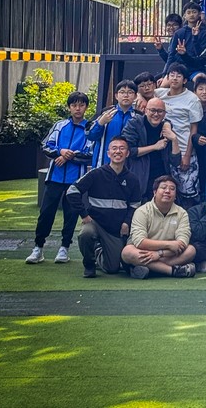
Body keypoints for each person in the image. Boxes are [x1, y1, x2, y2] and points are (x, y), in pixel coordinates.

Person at [25, 91, 93, 266]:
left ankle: (64, 248)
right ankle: (38, 247)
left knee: (71, 214)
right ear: (69, 107)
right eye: (74, 105)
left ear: (86, 107)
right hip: (54, 177)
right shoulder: (60, 125)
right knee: (46, 213)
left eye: (81, 105)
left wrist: (69, 155)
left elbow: (90, 154)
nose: (78, 108)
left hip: (75, 180)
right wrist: (60, 152)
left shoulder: (89, 128)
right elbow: (46, 145)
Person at [67, 136, 141, 278]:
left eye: (122, 148)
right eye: (114, 148)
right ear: (108, 153)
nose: (118, 151)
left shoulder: (132, 179)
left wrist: (127, 222)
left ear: (127, 153)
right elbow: (72, 192)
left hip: (115, 229)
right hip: (95, 223)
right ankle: (89, 264)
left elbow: (135, 205)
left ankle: (98, 249)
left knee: (112, 268)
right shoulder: (96, 173)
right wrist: (84, 215)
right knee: (86, 234)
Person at [121, 176, 197, 278]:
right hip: (144, 251)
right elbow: (140, 242)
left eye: (172, 189)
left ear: (175, 195)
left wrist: (159, 254)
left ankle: (151, 269)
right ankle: (172, 271)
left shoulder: (182, 213)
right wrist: (169, 245)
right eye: (163, 187)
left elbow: (182, 243)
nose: (167, 191)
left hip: (167, 254)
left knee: (191, 250)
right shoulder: (142, 211)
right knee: (127, 252)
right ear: (155, 192)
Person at [155, 63, 203, 206]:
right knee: (166, 191)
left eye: (179, 75)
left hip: (183, 150)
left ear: (185, 80)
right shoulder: (160, 94)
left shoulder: (192, 99)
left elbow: (194, 129)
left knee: (187, 192)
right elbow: (141, 91)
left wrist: (187, 155)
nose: (174, 78)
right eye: (172, 75)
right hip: (164, 150)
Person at [124, 97, 181, 202]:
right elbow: (128, 151)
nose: (156, 114)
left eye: (160, 111)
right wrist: (154, 147)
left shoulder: (166, 128)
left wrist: (174, 139)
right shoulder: (134, 124)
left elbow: (176, 161)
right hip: (139, 175)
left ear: (164, 113)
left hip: (161, 178)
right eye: (153, 110)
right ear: (146, 111)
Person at [87, 79, 138, 168]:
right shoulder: (106, 113)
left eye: (130, 92)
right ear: (116, 96)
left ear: (135, 96)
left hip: (129, 167)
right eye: (122, 92)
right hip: (103, 164)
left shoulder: (138, 117)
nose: (126, 95)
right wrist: (100, 123)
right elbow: (90, 136)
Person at [162, 2, 206, 75]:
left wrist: (195, 37)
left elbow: (201, 54)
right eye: (188, 12)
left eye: (194, 12)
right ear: (184, 16)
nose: (191, 15)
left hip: (196, 69)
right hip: (179, 68)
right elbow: (171, 55)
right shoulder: (179, 33)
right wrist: (165, 73)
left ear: (199, 14)